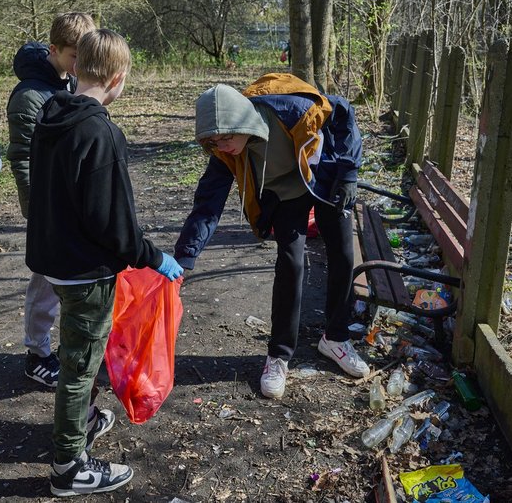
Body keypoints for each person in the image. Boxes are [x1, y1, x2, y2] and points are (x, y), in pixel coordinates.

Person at [26, 28, 183, 495]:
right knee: (80, 364)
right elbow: (112, 221)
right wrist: (152, 256)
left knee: (83, 354)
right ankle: (69, 467)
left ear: (76, 68)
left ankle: (85, 421)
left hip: (53, 260)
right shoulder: (101, 132)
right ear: (117, 78)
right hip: (83, 271)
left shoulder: (51, 113)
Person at [174, 72, 369, 400]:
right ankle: (278, 356)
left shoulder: (291, 110)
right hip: (287, 193)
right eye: (214, 143)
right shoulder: (226, 154)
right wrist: (184, 258)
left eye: (224, 139)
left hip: (324, 177)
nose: (222, 148)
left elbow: (343, 112)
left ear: (240, 122)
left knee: (343, 253)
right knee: (291, 263)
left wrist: (348, 173)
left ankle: (335, 338)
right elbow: (207, 206)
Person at [7, 11, 95, 388]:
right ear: (54, 49)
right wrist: (37, 212)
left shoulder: (72, 82)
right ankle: (37, 353)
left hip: (73, 200)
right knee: (45, 282)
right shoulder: (28, 97)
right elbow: (22, 158)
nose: (82, 66)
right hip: (47, 208)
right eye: (76, 56)